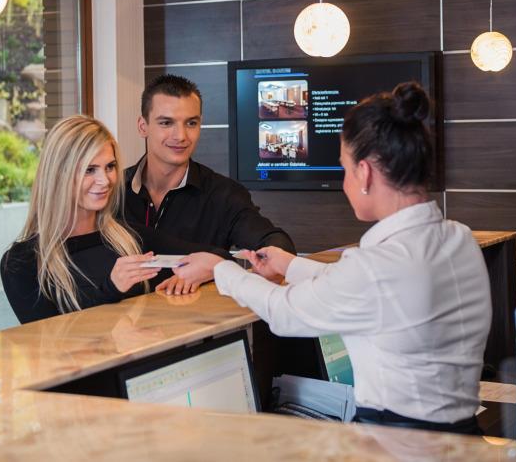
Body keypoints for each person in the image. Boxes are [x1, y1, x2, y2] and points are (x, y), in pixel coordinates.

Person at [177, 82, 493, 434]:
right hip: (464, 439)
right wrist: (288, 264)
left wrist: (219, 268)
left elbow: (283, 311)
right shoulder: (459, 240)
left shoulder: (378, 267)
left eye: (344, 169)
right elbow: (366, 288)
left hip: (399, 445)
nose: (344, 184)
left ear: (365, 172)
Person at [119, 74, 296, 295]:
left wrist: (218, 267)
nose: (181, 136)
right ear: (142, 126)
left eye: (191, 123)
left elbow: (275, 243)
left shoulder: (224, 195)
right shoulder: (112, 191)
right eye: (166, 123)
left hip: (194, 315)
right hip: (117, 317)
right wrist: (221, 259)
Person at [1, 115, 158, 323]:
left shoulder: (131, 238)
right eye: (89, 170)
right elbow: (50, 338)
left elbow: (199, 258)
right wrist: (111, 288)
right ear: (59, 174)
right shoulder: (22, 262)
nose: (105, 181)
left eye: (110, 167)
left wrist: (190, 276)